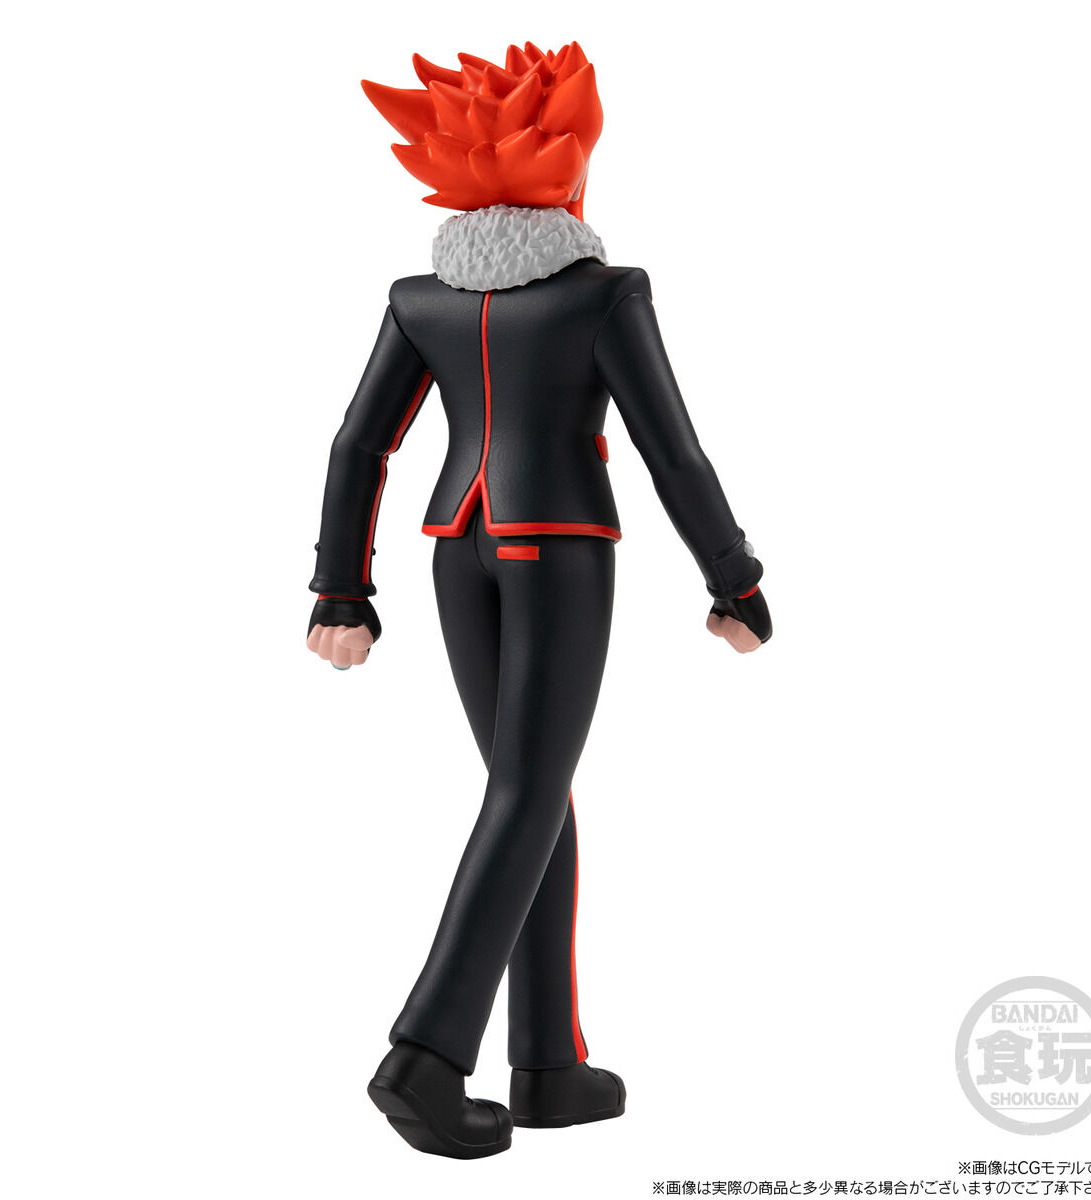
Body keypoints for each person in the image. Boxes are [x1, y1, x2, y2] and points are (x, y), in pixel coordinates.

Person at [306, 41, 772, 1159]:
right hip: (558, 549)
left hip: (454, 550)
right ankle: (426, 1056)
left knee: (533, 793)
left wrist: (342, 588)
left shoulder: (422, 297)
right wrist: (736, 577)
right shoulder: (606, 293)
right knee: (526, 791)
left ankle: (549, 1065)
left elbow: (359, 444)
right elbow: (673, 453)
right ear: (570, 172)